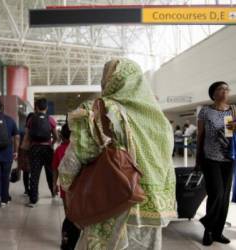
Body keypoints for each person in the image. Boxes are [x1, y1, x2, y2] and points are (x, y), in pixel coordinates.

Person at [59, 59, 176, 249]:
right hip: (152, 206)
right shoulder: (158, 119)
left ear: (110, 80)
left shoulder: (101, 110)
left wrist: (66, 183)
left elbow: (74, 159)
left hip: (113, 203)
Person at [196, 81, 234, 246]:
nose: (224, 91)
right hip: (210, 158)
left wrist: (229, 133)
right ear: (213, 93)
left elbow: (231, 134)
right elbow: (200, 135)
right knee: (216, 193)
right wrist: (198, 159)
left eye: (226, 89)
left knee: (224, 197)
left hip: (228, 158)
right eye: (220, 89)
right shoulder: (205, 111)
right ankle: (208, 228)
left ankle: (217, 232)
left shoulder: (232, 110)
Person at [22, 98, 58, 207]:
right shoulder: (51, 120)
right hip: (47, 149)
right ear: (46, 108)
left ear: (36, 108)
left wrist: (24, 151)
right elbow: (56, 136)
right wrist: (51, 144)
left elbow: (27, 137)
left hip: (34, 149)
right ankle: (53, 192)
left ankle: (33, 199)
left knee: (34, 174)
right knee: (50, 172)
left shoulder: (31, 119)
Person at [52, 123, 80, 250]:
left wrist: (54, 185)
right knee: (78, 214)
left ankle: (67, 238)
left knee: (68, 214)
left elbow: (55, 170)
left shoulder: (59, 150)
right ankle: (75, 237)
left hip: (65, 187)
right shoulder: (79, 149)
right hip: (79, 188)